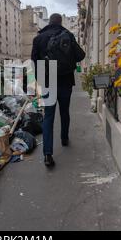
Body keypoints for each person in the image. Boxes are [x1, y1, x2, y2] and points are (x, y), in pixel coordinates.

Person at [31, 13, 84, 167]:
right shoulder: (67, 35)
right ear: (60, 22)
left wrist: (41, 81)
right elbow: (81, 55)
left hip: (48, 82)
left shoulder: (38, 39)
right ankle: (64, 138)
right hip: (65, 80)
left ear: (49, 22)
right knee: (64, 112)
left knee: (48, 117)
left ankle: (48, 154)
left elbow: (35, 62)